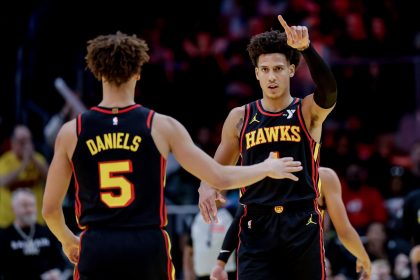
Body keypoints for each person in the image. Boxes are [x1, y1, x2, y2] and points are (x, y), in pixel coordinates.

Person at [41, 31, 303, 280]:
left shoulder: (72, 132)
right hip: (146, 244)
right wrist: (267, 167)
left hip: (97, 244)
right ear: (138, 72)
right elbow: (219, 177)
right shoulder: (160, 126)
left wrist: (67, 239)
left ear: (97, 73)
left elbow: (50, 210)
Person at [198, 15, 337, 279]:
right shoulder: (240, 117)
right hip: (256, 225)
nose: (271, 76)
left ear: (291, 70)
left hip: (301, 221)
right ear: (256, 73)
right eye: (265, 69)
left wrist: (306, 48)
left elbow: (329, 93)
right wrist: (206, 187)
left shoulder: (306, 110)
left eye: (278, 68)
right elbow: (215, 171)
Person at [209, 167, 371, 280]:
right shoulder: (261, 172)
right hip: (264, 258)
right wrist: (220, 262)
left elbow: (344, 230)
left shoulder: (323, 177)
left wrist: (363, 256)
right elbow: (241, 217)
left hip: (302, 256)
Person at [0, 188, 67, 280]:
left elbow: (60, 261)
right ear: (13, 209)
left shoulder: (47, 231)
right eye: (24, 206)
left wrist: (56, 271)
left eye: (32, 205)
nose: (29, 210)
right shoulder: (4, 236)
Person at [0, 124, 49, 228]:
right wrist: (24, 164)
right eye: (22, 142)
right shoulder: (5, 161)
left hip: (36, 220)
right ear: (13, 143)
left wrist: (33, 159)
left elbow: (51, 179)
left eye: (28, 141)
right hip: (8, 222)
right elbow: (2, 182)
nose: (26, 145)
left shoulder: (38, 159)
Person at [182, 196, 236, 280]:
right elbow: (188, 249)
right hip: (201, 274)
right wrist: (187, 273)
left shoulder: (232, 213)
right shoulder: (197, 217)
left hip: (227, 273)